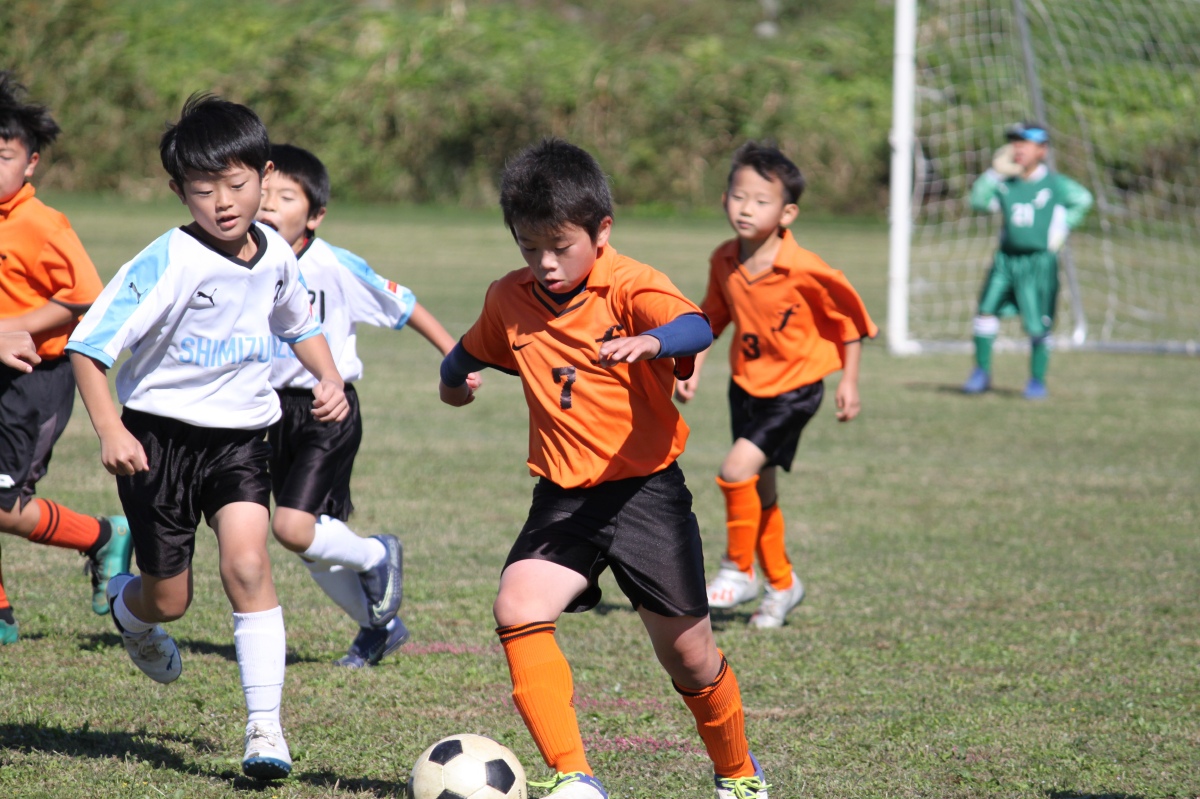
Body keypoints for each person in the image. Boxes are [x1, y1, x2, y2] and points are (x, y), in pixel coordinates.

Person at [439, 139, 769, 799]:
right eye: (529, 247)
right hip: (564, 499)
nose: (545, 263)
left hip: (646, 496)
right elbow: (466, 353)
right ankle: (574, 775)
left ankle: (739, 774)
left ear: (602, 231)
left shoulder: (628, 283)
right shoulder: (510, 297)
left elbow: (694, 326)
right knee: (517, 605)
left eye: (561, 246)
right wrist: (453, 383)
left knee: (690, 657)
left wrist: (652, 340)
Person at [65, 94, 348, 781]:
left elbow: (298, 322)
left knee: (248, 565)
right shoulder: (168, 260)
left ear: (265, 176)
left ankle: (265, 728)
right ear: (178, 192)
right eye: (202, 189)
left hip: (241, 439)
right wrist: (110, 428)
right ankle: (131, 611)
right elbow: (88, 346)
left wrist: (328, 376)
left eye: (236, 183)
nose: (222, 202)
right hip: (157, 442)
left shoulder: (277, 253)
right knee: (171, 598)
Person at [259, 143, 473, 667]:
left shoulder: (333, 265)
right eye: (262, 194)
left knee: (291, 527)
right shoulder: (243, 262)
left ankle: (378, 553)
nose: (268, 205)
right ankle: (380, 628)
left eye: (285, 197)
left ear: (315, 215)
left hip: (327, 412)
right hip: (268, 414)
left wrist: (455, 356)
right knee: (309, 542)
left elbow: (405, 305)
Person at [675, 141, 877, 630]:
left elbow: (849, 320)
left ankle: (738, 569)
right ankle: (783, 585)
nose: (746, 208)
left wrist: (849, 380)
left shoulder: (805, 268)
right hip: (747, 388)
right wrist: (692, 366)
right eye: (738, 196)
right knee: (759, 492)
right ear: (724, 199)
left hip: (796, 390)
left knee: (734, 470)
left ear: (787, 213)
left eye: (761, 201)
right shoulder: (724, 259)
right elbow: (711, 319)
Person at [0, 71, 132, 646]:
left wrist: (13, 328)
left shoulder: (40, 224)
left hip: (36, 379)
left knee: (4, 502)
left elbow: (86, 297)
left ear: (30, 163)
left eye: (2, 157)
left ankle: (101, 536)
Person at [962, 121, 1093, 399]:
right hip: (1006, 260)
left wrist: (1061, 227)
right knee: (986, 310)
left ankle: (1036, 380)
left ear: (1042, 150)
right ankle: (981, 372)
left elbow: (1083, 199)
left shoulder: (1054, 184)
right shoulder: (1005, 183)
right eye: (1014, 142)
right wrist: (993, 172)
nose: (1017, 148)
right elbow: (977, 201)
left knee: (1038, 322)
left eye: (1024, 143)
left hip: (1038, 263)